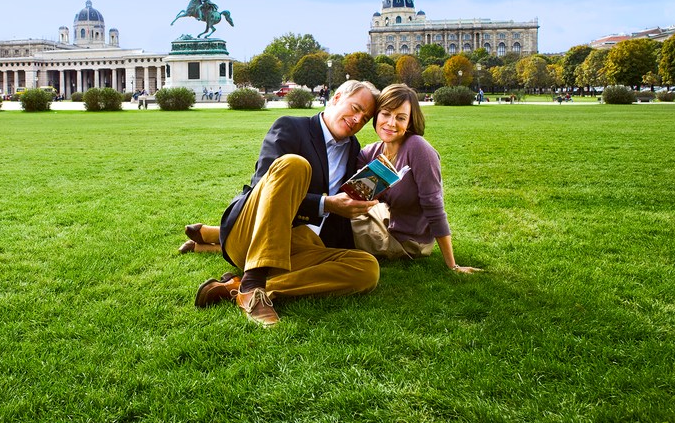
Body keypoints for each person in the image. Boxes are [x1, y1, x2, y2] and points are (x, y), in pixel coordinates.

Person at [191, 80, 382, 327]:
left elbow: (338, 212)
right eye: (355, 108)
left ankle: (238, 288)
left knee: (367, 268)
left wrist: (355, 206)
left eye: (365, 118)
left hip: (298, 246)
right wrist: (326, 204)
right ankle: (253, 283)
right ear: (335, 98)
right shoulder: (292, 127)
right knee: (294, 165)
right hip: (252, 236)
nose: (358, 120)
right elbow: (268, 186)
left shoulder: (353, 149)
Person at [357, 84, 481, 273]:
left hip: (408, 239)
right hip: (386, 221)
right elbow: (358, 196)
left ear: (410, 122)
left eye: (400, 118)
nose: (391, 123)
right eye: (386, 114)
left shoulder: (417, 148)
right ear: (376, 115)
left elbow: (434, 206)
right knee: (338, 214)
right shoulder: (370, 152)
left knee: (342, 227)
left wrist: (453, 265)